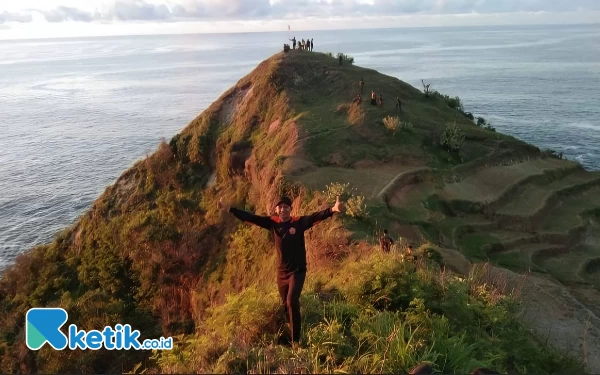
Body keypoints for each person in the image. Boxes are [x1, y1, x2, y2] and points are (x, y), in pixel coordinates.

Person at [217, 195, 345, 348]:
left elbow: (315, 217)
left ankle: (296, 342)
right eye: (280, 207)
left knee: (292, 301)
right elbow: (250, 217)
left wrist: (332, 209)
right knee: (286, 305)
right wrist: (229, 208)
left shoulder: (298, 223)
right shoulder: (272, 223)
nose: (283, 209)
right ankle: (291, 330)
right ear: (276, 209)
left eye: (286, 207)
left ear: (291, 209)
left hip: (297, 271)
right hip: (281, 273)